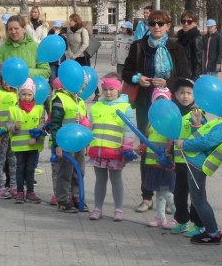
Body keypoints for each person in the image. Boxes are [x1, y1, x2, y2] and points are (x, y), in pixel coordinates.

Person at [121, 9, 190, 212]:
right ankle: (147, 196)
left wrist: (167, 82)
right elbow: (126, 71)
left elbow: (186, 76)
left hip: (170, 105)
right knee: (146, 148)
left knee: (172, 148)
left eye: (161, 23)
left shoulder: (175, 47)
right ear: (148, 25)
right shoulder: (138, 46)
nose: (157, 27)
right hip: (146, 103)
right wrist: (137, 78)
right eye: (153, 23)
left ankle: (171, 197)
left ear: (168, 26)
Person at [176, 109, 222, 245]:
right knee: (199, 198)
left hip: (199, 164)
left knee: (198, 199)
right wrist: (197, 124)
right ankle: (211, 230)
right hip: (196, 162)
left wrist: (185, 144)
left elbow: (208, 141)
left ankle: (213, 233)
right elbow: (203, 136)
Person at [88, 73, 133, 221]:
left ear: (118, 89)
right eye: (105, 89)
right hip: (98, 150)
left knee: (116, 180)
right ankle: (97, 208)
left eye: (111, 89)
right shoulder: (96, 107)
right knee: (100, 180)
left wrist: (127, 150)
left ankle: (118, 209)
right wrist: (87, 145)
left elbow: (129, 131)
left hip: (116, 152)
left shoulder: (125, 107)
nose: (108, 92)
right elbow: (90, 127)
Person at [169, 78, 205, 235]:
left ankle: (199, 224)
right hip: (179, 161)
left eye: (189, 93)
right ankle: (182, 221)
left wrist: (197, 124)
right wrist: (169, 152)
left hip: (194, 162)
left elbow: (203, 136)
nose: (185, 96)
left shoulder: (197, 112)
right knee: (179, 194)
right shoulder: (174, 112)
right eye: (182, 93)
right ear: (176, 95)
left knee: (197, 195)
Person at [47, 77, 88, 212]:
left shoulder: (80, 101)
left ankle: (77, 198)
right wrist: (58, 145)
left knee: (78, 172)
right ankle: (63, 200)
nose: (81, 88)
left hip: (79, 144)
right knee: (65, 172)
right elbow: (55, 125)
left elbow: (85, 124)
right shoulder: (60, 99)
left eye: (83, 86)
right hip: (65, 144)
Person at [143, 87, 177, 229]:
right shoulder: (151, 122)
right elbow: (148, 139)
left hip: (165, 163)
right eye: (158, 100)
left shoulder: (170, 122)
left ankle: (179, 217)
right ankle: (160, 217)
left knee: (167, 192)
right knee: (159, 192)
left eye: (164, 100)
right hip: (153, 163)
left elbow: (172, 142)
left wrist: (169, 155)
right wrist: (143, 148)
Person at [8, 78, 45, 203]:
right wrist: (14, 127)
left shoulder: (39, 109)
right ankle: (19, 192)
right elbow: (7, 125)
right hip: (19, 146)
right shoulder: (13, 109)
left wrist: (35, 138)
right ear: (19, 94)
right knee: (20, 168)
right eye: (23, 94)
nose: (26, 97)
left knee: (30, 169)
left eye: (29, 94)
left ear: (33, 95)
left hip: (33, 145)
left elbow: (41, 125)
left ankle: (30, 192)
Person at [0, 64, 18, 199]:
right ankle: (0, 186)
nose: (7, 82)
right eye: (4, 79)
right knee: (0, 160)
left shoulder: (16, 92)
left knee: (13, 160)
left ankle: (13, 185)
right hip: (1, 132)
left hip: (14, 132)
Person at [0, 15, 51, 80]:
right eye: (10, 29)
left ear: (24, 29)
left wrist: (25, 72)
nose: (13, 31)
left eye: (16, 28)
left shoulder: (36, 47)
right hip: (8, 88)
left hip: (31, 88)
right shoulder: (1, 49)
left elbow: (46, 71)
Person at [176, 12, 203, 79]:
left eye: (189, 22)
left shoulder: (196, 38)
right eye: (183, 21)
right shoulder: (180, 36)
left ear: (195, 23)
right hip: (179, 72)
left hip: (189, 75)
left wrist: (194, 80)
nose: (186, 24)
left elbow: (197, 62)